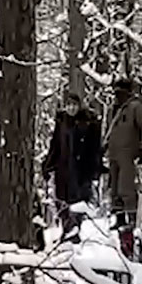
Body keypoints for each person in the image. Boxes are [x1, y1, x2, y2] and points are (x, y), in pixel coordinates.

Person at [104, 77, 142, 260]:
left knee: (127, 189)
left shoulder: (136, 107)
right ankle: (119, 218)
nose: (117, 95)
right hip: (115, 154)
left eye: (120, 92)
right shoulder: (116, 110)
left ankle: (132, 220)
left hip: (129, 154)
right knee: (115, 190)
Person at [41, 90, 102, 240]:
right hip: (63, 167)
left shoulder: (88, 123)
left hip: (81, 169)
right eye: (69, 105)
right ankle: (67, 228)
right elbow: (55, 145)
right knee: (62, 200)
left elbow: (95, 148)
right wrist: (48, 165)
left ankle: (74, 230)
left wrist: (95, 169)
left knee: (78, 200)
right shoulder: (62, 122)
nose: (71, 108)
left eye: (74, 105)